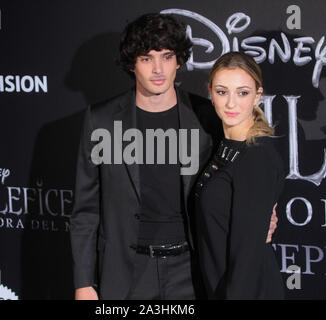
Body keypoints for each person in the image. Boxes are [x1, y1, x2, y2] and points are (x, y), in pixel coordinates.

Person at [70, 13, 278, 300]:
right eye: (146, 58)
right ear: (132, 64)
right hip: (126, 273)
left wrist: (263, 218)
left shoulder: (208, 116)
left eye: (167, 56)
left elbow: (241, 178)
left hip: (192, 270)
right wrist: (84, 283)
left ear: (179, 60)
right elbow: (86, 211)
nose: (158, 69)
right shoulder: (101, 121)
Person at [194, 51, 285, 299]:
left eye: (243, 92)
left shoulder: (256, 156)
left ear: (258, 95)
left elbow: (248, 257)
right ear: (210, 92)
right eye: (222, 92)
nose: (231, 103)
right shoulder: (221, 146)